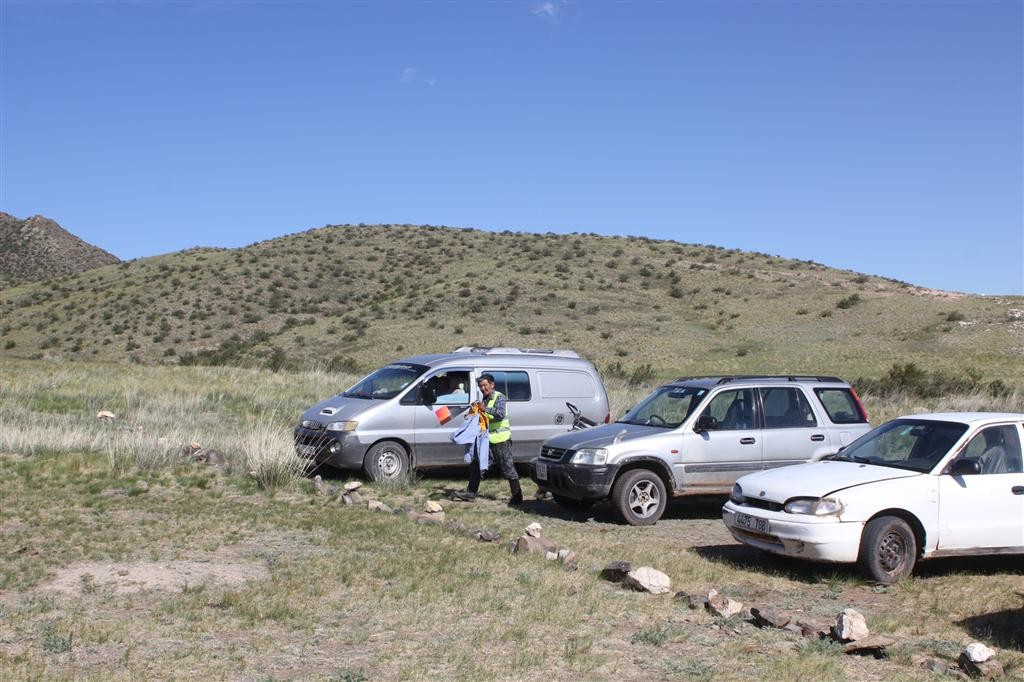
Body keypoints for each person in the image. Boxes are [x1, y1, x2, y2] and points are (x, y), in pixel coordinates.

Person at [465, 373, 523, 506]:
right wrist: (472, 414)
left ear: (492, 385)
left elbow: (500, 414)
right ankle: (470, 494)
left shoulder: (499, 397)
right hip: (486, 439)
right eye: (480, 386)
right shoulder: (484, 399)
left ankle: (517, 496)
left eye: (485, 385)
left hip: (500, 439)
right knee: (476, 465)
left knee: (507, 468)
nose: (483, 388)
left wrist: (484, 408)